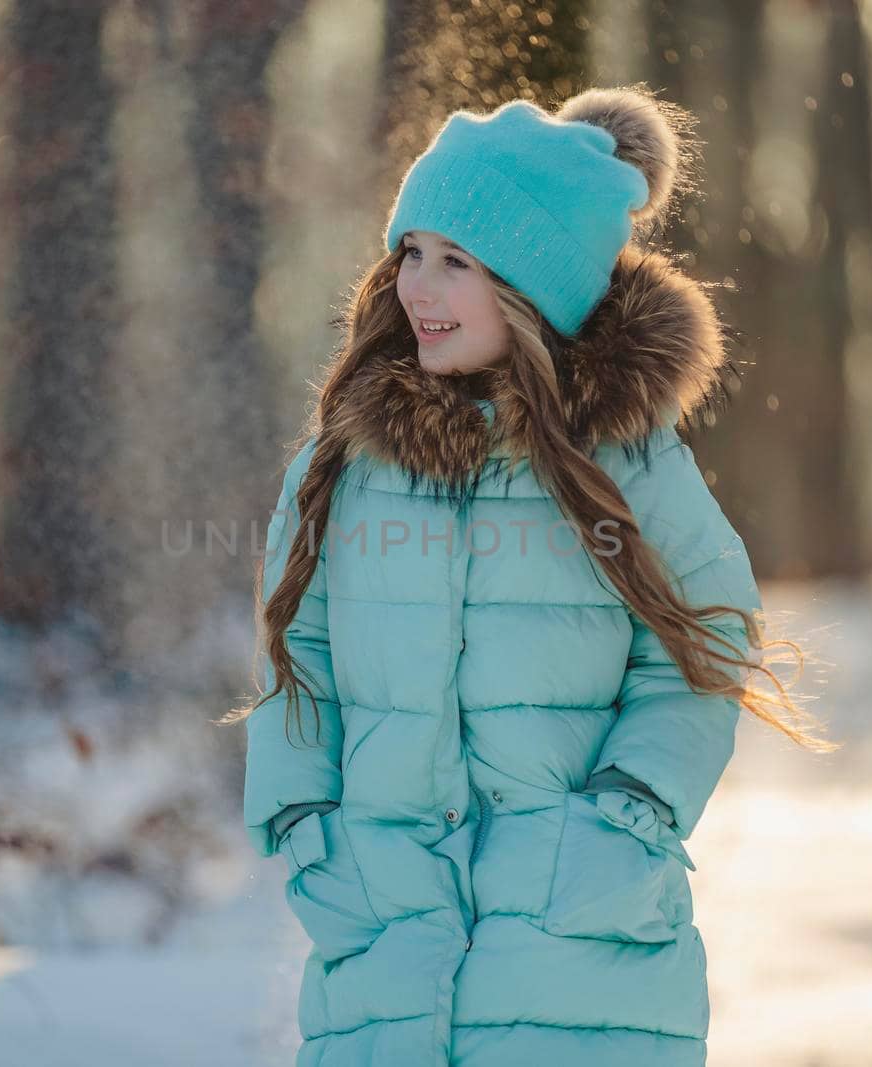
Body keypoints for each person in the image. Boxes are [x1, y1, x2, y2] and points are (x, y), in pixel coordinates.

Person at [222, 84, 828, 1067]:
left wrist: (631, 811)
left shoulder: (626, 460)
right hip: (387, 942)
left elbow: (709, 630)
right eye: (410, 251)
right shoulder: (342, 465)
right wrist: (305, 829)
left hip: (578, 951)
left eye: (456, 261)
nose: (419, 284)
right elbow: (301, 654)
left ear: (533, 289)